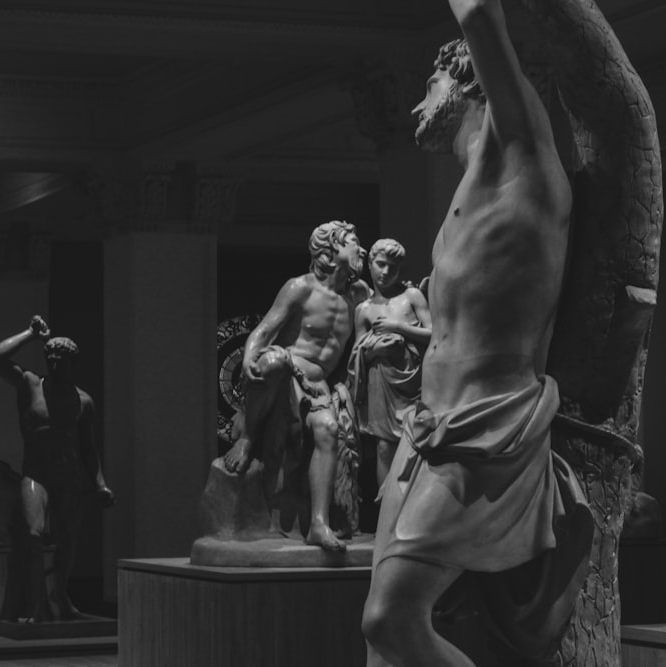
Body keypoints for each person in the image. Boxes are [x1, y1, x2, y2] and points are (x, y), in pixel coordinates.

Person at [360, 1, 593, 665]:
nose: (413, 110)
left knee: (390, 618)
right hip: (425, 431)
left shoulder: (522, 156)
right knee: (379, 634)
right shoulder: (464, 194)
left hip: (487, 430)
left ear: (470, 82)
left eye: (427, 88)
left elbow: (480, 16)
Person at [222, 220, 369, 552]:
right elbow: (265, 330)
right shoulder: (300, 288)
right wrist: (248, 359)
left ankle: (318, 524)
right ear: (331, 250)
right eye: (353, 242)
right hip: (287, 373)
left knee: (329, 428)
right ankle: (248, 438)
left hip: (318, 384)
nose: (361, 248)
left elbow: (385, 307)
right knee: (272, 362)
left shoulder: (357, 295)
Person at [0, 316, 114, 622]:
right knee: (33, 534)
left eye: (61, 360)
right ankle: (36, 603)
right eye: (50, 359)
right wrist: (31, 335)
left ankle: (60, 595)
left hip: (69, 478)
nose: (55, 364)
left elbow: (88, 448)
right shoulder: (30, 385)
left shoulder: (83, 402)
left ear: (73, 363)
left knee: (68, 541)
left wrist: (100, 484)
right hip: (36, 475)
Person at [348, 239, 431, 491]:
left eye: (392, 268)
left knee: (414, 443)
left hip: (412, 381)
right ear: (370, 265)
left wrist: (398, 328)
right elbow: (357, 354)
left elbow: (434, 332)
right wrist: (375, 350)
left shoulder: (411, 296)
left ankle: (409, 517)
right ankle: (386, 520)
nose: (385, 272)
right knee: (384, 447)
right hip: (380, 383)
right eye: (381, 264)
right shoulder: (363, 309)